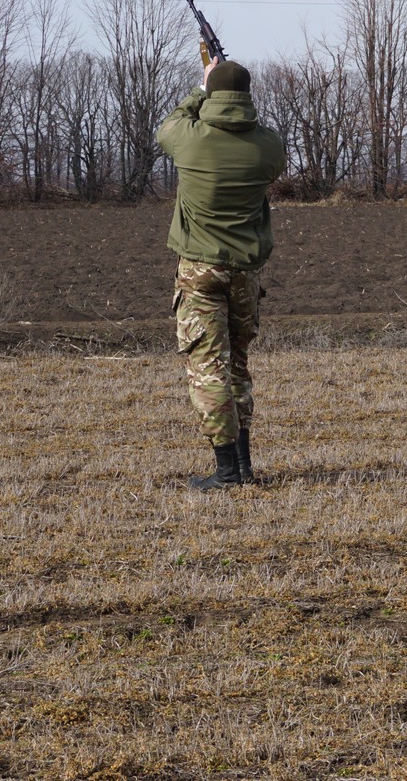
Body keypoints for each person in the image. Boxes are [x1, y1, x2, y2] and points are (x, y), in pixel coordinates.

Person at [156, 58, 288, 489]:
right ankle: (245, 465)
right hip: (245, 273)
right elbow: (260, 137)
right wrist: (230, 93)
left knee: (208, 368)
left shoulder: (189, 139)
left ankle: (227, 471)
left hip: (198, 271)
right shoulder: (268, 146)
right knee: (238, 367)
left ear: (212, 91)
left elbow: (170, 124)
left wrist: (202, 84)